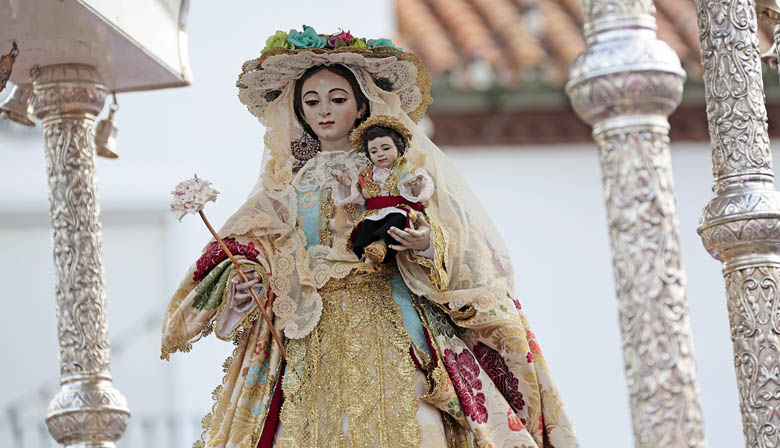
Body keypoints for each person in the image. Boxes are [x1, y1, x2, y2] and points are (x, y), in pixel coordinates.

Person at [161, 25, 579, 448]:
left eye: (337, 99)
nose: (324, 111)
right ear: (299, 111)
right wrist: (248, 282)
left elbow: (444, 232)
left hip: (392, 318)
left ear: (362, 106)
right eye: (312, 101)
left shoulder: (394, 173)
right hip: (313, 333)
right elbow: (262, 249)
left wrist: (424, 242)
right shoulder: (286, 188)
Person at [332, 115, 434, 266]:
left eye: (385, 148)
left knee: (396, 220)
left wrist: (417, 185)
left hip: (401, 210)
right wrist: (348, 185)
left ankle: (382, 244)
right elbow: (359, 198)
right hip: (376, 213)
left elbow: (424, 190)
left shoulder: (408, 169)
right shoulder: (367, 175)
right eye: (373, 151)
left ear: (399, 148)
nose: (380, 154)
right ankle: (365, 255)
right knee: (366, 225)